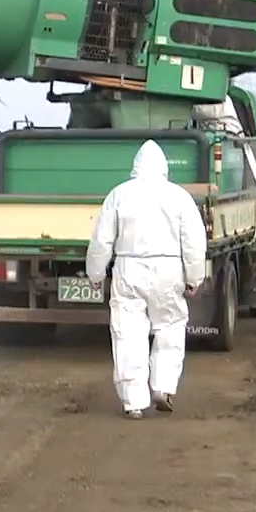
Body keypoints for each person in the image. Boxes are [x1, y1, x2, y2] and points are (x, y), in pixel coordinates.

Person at [85, 139, 207, 419]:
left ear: (135, 166)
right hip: (169, 269)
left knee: (128, 333)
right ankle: (163, 388)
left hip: (129, 268)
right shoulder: (179, 197)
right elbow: (193, 242)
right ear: (164, 168)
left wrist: (95, 273)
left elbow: (102, 239)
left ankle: (133, 402)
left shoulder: (119, 195)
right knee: (170, 328)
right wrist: (194, 278)